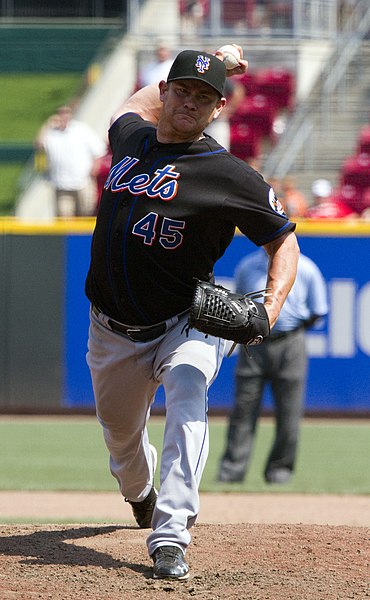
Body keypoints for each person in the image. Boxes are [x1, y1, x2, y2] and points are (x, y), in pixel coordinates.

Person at [85, 45, 299, 580]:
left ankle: (172, 534)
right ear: (164, 92)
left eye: (204, 96)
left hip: (185, 321)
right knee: (121, 441)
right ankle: (141, 493)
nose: (190, 102)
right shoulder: (130, 138)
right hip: (111, 330)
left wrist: (269, 310)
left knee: (188, 391)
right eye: (182, 90)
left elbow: (284, 243)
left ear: (219, 107)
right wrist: (214, 59)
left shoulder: (227, 174)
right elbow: (128, 105)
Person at [218, 248, 328, 484]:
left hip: (290, 341)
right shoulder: (248, 266)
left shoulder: (305, 267)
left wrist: (291, 329)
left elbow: (318, 311)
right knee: (243, 409)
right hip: (253, 344)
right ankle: (231, 471)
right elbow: (238, 306)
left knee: (290, 412)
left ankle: (280, 471)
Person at [35, 105, 106, 217]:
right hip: (61, 184)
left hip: (83, 181)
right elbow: (39, 145)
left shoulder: (81, 130)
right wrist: (47, 125)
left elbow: (99, 150)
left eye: (66, 113)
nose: (63, 116)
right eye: (60, 113)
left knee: (86, 213)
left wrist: (94, 169)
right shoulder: (51, 133)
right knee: (64, 216)